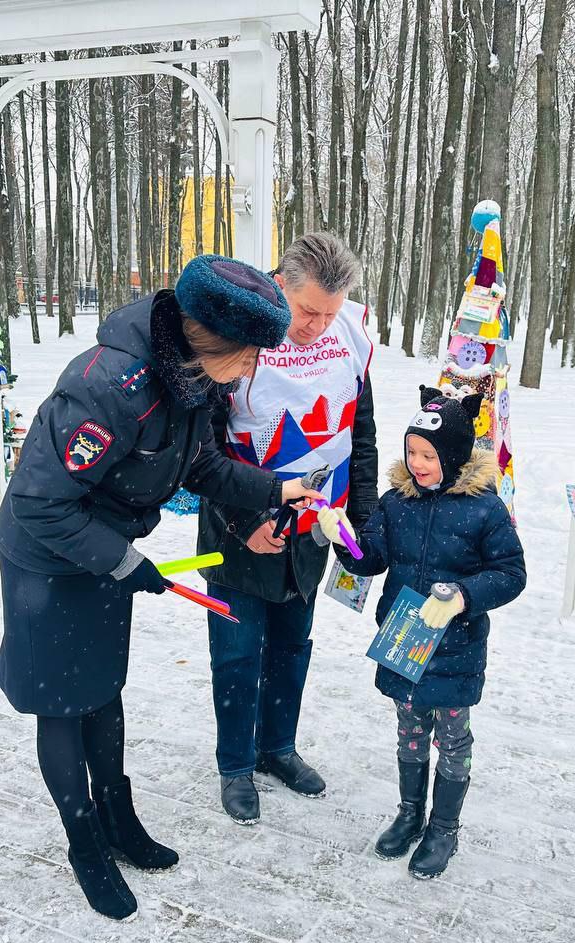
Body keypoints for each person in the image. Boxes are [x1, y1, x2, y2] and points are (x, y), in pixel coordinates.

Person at [0, 256, 322, 921]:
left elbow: (199, 463)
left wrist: (273, 488)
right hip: (49, 560)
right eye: (253, 355)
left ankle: (119, 820)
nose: (257, 368)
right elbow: (39, 505)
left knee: (103, 690)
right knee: (63, 703)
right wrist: (121, 561)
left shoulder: (193, 379)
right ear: (216, 343)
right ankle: (84, 842)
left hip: (104, 552)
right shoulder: (110, 386)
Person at [196, 232, 377, 825]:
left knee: (292, 646)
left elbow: (363, 435)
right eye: (307, 311)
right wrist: (244, 521)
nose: (319, 325)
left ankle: (277, 748)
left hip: (313, 523)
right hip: (238, 526)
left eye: (330, 311)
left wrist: (363, 521)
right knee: (237, 650)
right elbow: (203, 447)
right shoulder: (239, 333)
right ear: (280, 288)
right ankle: (234, 764)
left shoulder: (348, 334)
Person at [320, 387, 526, 879]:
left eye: (429, 455)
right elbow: (372, 557)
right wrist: (342, 537)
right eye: (412, 451)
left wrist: (463, 597)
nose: (418, 463)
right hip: (404, 639)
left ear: (453, 456)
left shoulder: (484, 509)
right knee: (409, 730)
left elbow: (511, 573)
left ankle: (444, 827)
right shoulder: (396, 503)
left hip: (455, 647)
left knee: (452, 738)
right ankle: (410, 812)